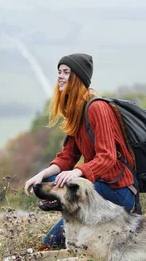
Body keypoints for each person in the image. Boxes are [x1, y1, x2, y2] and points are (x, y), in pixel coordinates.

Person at [24, 52, 137, 249]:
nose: (59, 76)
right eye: (59, 71)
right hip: (97, 186)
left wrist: (77, 171)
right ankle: (73, 218)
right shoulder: (75, 109)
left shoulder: (97, 108)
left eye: (66, 72)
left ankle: (73, 223)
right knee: (47, 182)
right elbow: (67, 157)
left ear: (78, 77)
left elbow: (107, 157)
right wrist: (41, 174)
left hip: (117, 189)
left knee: (50, 243)